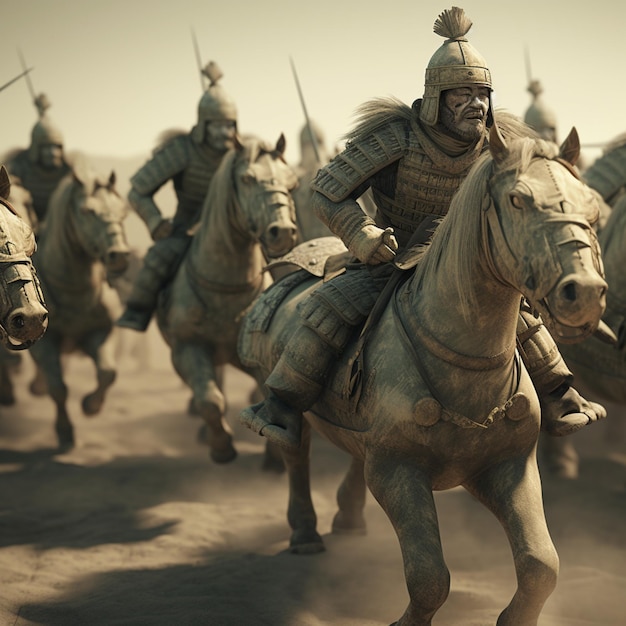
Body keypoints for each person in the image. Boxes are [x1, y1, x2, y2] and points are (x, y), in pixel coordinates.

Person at [240, 6, 605, 449]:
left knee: (520, 315)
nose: (477, 103)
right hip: (392, 260)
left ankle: (558, 393)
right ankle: (281, 403)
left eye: (482, 93)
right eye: (462, 93)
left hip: (471, 267)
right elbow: (327, 189)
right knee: (328, 309)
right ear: (436, 97)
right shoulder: (397, 137)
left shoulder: (502, 144)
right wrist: (362, 236)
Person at [117, 61, 238, 331]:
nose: (224, 132)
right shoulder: (182, 150)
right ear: (204, 124)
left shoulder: (241, 155)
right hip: (187, 231)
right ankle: (137, 310)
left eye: (229, 125)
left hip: (236, 231)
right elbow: (138, 190)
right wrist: (156, 222)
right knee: (158, 260)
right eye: (217, 126)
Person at [4, 95, 72, 232]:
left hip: (60, 230)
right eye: (46, 148)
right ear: (36, 148)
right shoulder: (21, 164)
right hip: (28, 224)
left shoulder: (68, 170)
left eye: (56, 147)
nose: (52, 153)